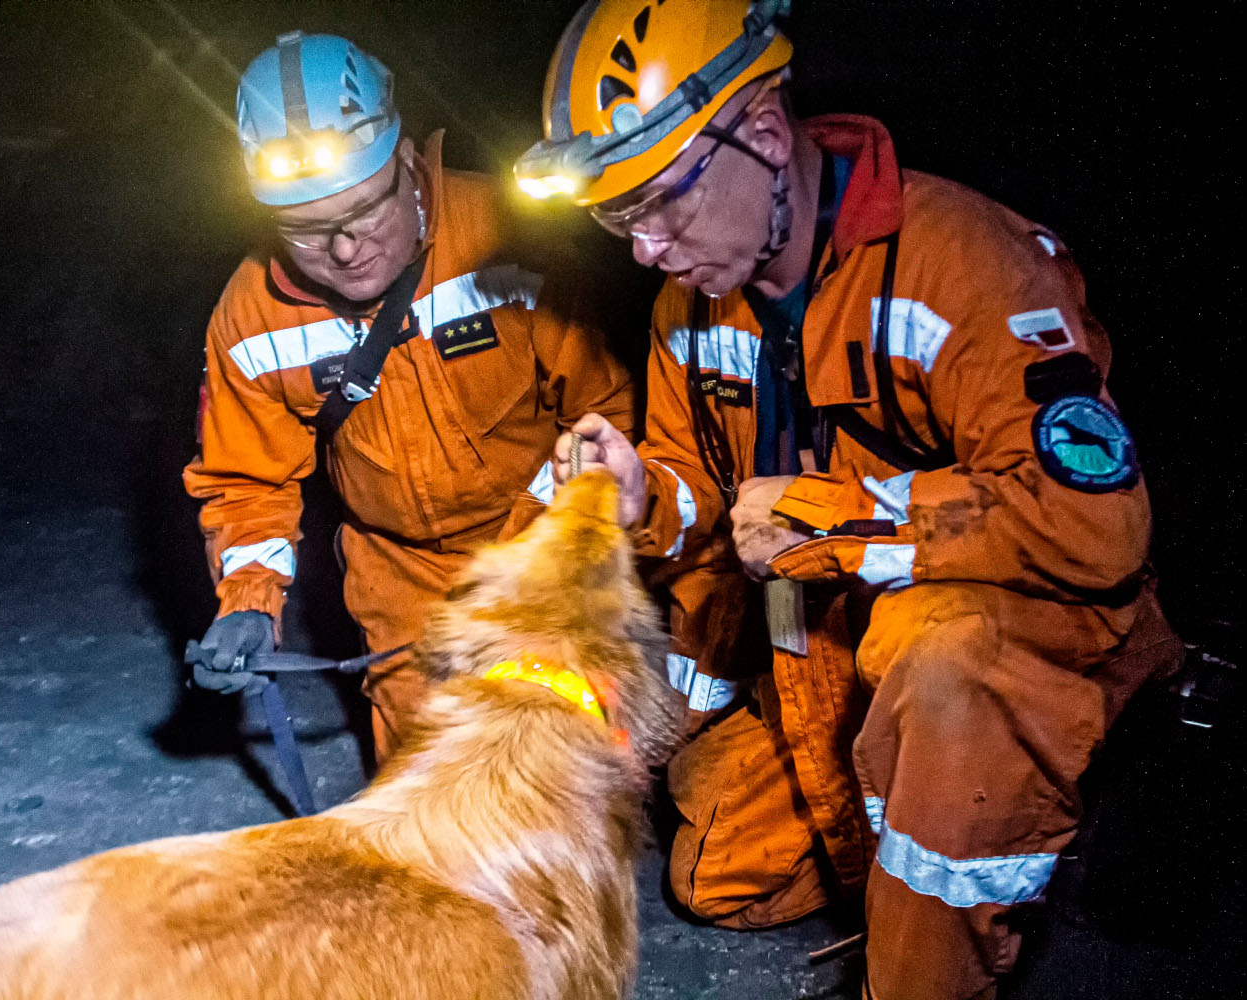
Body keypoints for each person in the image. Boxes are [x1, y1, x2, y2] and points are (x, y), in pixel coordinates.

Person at [517, 2, 1183, 997]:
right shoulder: (686, 302)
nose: (645, 250)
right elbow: (701, 484)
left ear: (768, 134)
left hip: (1005, 642)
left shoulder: (966, 262)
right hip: (825, 659)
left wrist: (831, 517)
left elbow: (1095, 520)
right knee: (715, 872)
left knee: (940, 663)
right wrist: (644, 495)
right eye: (619, 220)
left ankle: (955, 935)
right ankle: (948, 841)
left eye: (661, 203)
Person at [185, 31, 633, 760]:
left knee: (561, 772)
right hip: (402, 577)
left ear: (405, 162)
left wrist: (540, 568)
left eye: (365, 213)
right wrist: (247, 606)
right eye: (305, 232)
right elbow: (247, 485)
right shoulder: (248, 319)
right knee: (431, 794)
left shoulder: (503, 235)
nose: (344, 249)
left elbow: (605, 417)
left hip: (543, 540)